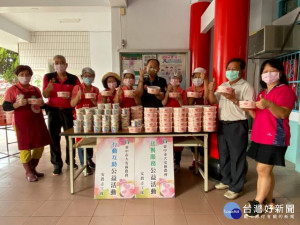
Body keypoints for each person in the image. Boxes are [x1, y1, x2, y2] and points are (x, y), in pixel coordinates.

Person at [245, 59, 297, 218]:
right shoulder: (262, 93)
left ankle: (258, 203)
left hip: (275, 137)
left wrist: (268, 104)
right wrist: (247, 109)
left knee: (262, 169)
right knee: (266, 170)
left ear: (280, 73)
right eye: (265, 72)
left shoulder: (286, 91)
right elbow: (258, 115)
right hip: (259, 135)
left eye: (271, 71)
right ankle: (269, 200)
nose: (268, 74)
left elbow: (283, 114)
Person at [208, 58, 255, 200]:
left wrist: (234, 98)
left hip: (237, 124)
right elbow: (213, 101)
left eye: (234, 69)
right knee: (224, 154)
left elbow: (250, 108)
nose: (231, 71)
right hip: (223, 124)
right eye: (229, 68)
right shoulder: (223, 85)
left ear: (241, 71)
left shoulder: (247, 87)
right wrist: (211, 90)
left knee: (237, 156)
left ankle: (237, 187)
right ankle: (226, 180)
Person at [3, 65, 51, 182]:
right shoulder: (12, 90)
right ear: (17, 76)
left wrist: (41, 103)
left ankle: (33, 168)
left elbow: (43, 104)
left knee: (40, 144)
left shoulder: (35, 89)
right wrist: (17, 105)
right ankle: (28, 171)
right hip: (21, 122)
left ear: (31, 76)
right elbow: (6, 106)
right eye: (22, 75)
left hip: (37, 120)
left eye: (27, 75)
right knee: (25, 146)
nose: (25, 77)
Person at [43, 55, 81, 175]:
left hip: (68, 111)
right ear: (53, 65)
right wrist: (49, 88)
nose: (59, 65)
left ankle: (71, 161)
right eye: (57, 63)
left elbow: (78, 94)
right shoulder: (48, 77)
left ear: (66, 64)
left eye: (62, 62)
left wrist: (70, 96)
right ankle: (56, 164)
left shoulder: (73, 78)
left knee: (70, 137)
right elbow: (45, 94)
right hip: (53, 110)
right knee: (54, 138)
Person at [71, 67, 99, 175]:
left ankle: (89, 160)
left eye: (90, 76)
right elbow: (72, 104)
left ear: (93, 78)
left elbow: (98, 106)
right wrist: (78, 96)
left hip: (91, 118)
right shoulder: (77, 88)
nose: (88, 78)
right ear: (82, 77)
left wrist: (94, 101)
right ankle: (83, 164)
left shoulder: (95, 90)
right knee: (81, 141)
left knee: (90, 140)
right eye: (85, 76)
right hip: (80, 119)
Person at [162, 73, 187, 172]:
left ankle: (177, 163)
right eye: (173, 78)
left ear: (180, 81)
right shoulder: (167, 90)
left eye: (177, 79)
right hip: (168, 118)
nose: (174, 80)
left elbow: (184, 106)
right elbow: (163, 103)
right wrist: (168, 92)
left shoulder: (183, 91)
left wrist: (179, 99)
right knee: (168, 140)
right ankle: (167, 162)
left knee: (178, 142)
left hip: (179, 119)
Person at [186, 67, 209, 170]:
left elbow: (209, 99)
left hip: (206, 118)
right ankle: (195, 160)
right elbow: (189, 104)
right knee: (194, 140)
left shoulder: (207, 86)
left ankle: (203, 162)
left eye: (200, 76)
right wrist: (193, 96)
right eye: (195, 76)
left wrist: (206, 81)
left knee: (204, 141)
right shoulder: (190, 89)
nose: (197, 78)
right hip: (194, 119)